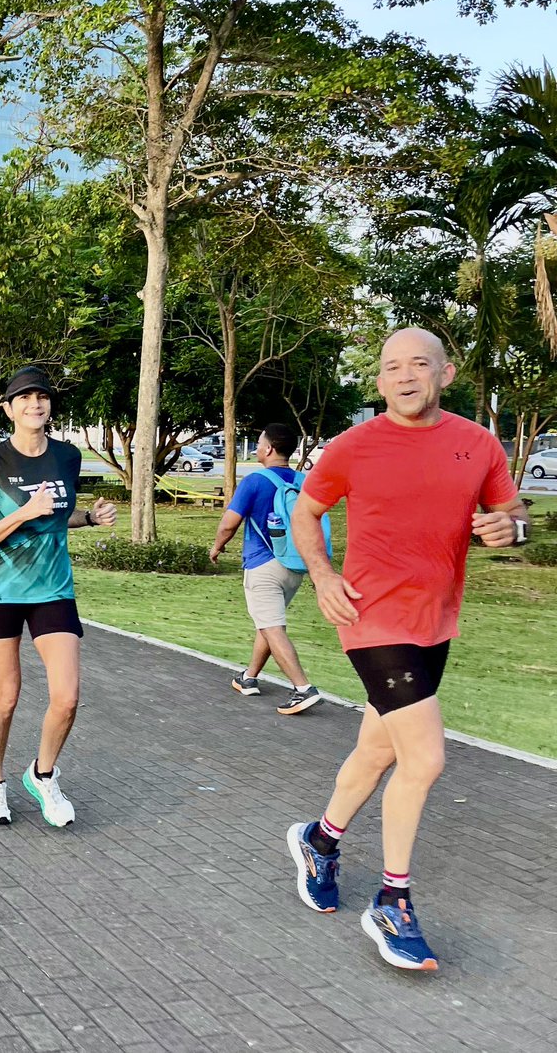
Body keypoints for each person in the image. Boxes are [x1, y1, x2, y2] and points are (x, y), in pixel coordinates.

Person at [286, 328, 527, 972]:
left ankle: (319, 840)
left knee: (377, 752)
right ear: (380, 381)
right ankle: (392, 901)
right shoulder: (353, 446)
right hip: (371, 618)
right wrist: (324, 574)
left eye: (419, 363)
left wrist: (513, 528)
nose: (405, 375)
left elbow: (514, 516)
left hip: (435, 623)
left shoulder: (477, 444)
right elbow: (304, 515)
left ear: (445, 374)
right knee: (424, 760)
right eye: (392, 366)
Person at [0, 366, 117, 829]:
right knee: (7, 697)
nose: (36, 404)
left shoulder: (67, 457)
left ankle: (43, 774)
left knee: (67, 697)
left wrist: (88, 519)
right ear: (9, 409)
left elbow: (56, 517)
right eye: (25, 398)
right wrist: (24, 512)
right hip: (0, 592)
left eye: (43, 397)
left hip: (53, 588)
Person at [209, 422, 322, 714]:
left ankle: (303, 688)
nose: (258, 447)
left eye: (259, 443)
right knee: (269, 623)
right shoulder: (303, 481)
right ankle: (250, 677)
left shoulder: (255, 481)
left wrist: (217, 547)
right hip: (295, 565)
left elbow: (229, 523)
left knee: (272, 626)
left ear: (269, 448)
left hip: (263, 565)